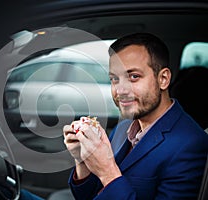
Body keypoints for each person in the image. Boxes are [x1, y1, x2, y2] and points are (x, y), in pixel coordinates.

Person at [63, 32, 208, 199]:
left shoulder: (191, 145)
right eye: (115, 79)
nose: (120, 90)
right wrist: (84, 161)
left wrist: (108, 171)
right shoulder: (122, 128)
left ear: (163, 79)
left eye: (133, 77)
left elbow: (109, 180)